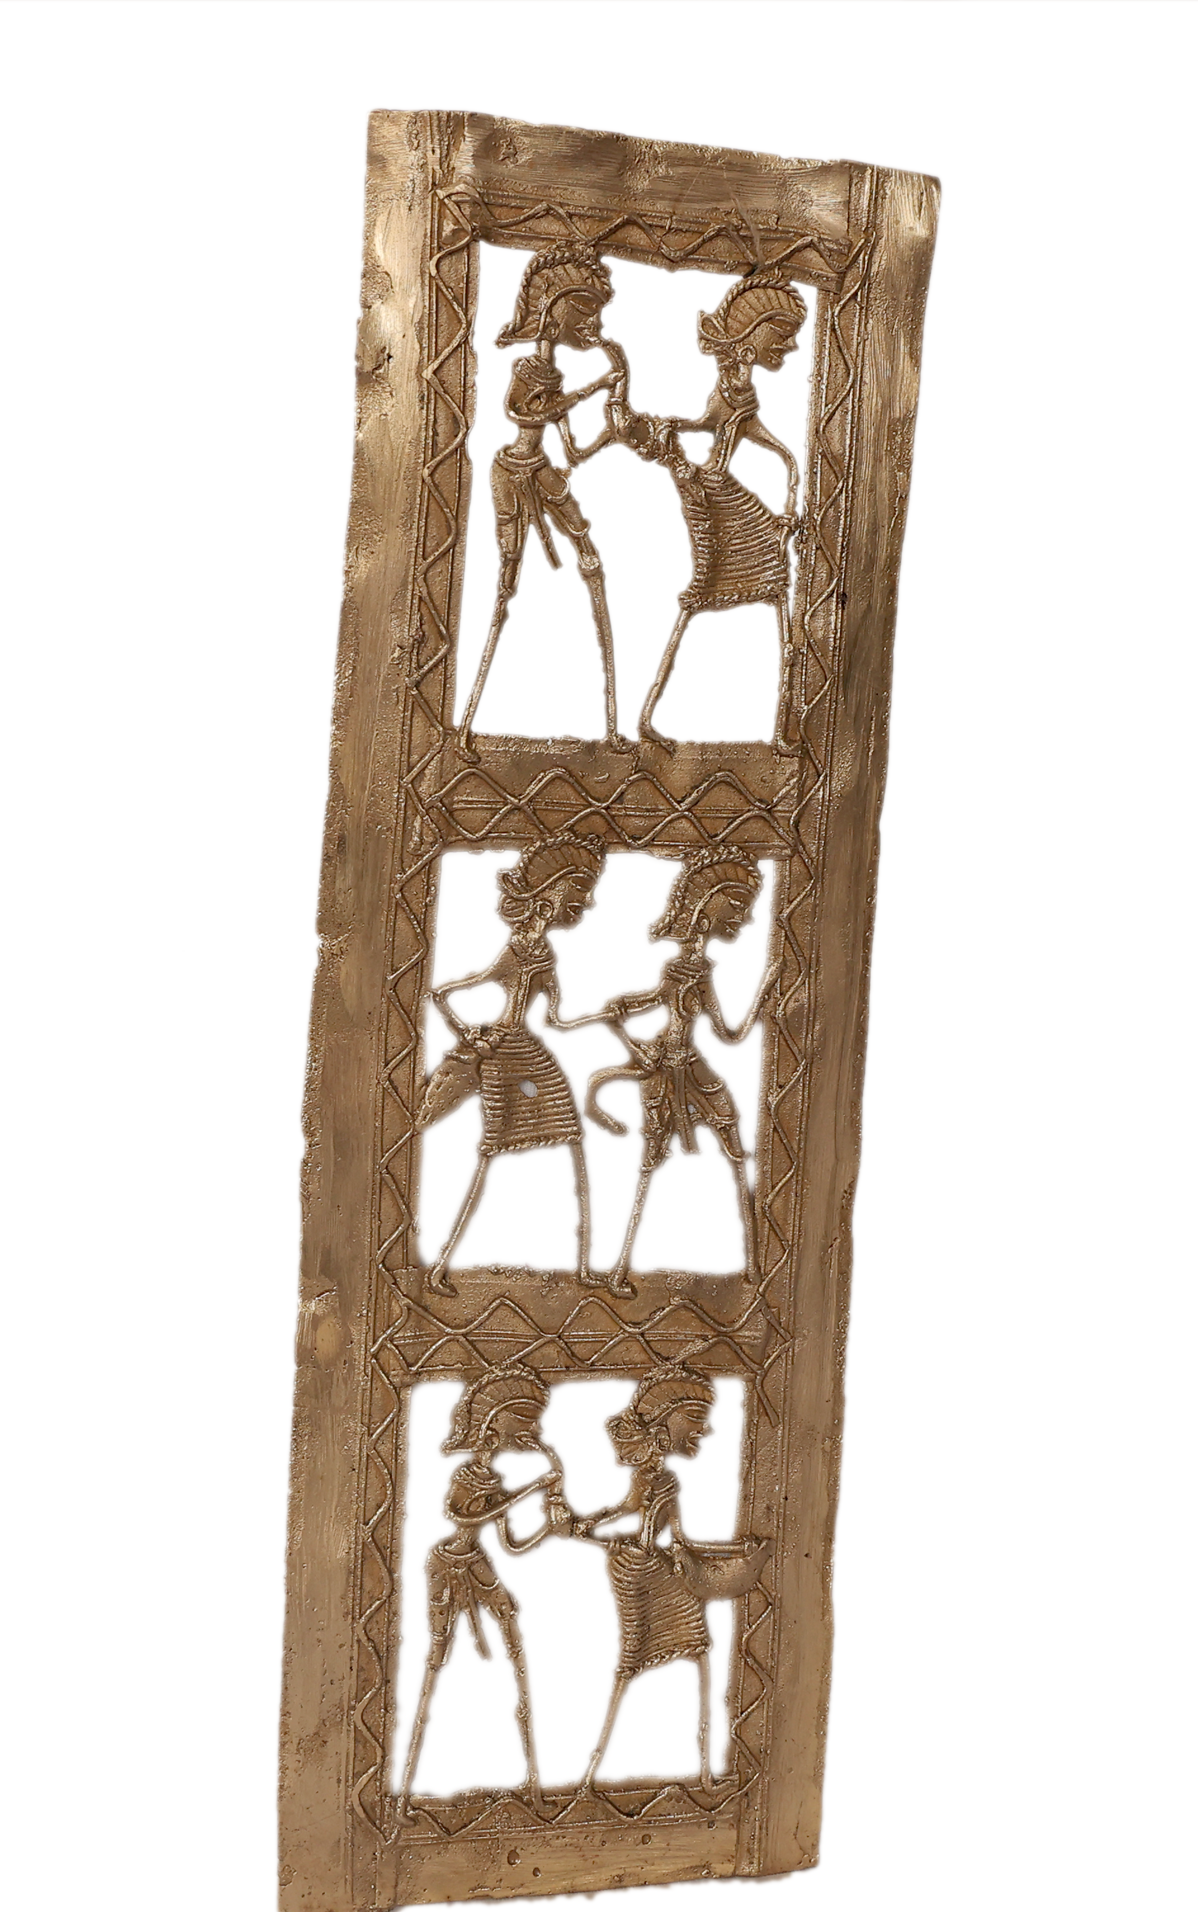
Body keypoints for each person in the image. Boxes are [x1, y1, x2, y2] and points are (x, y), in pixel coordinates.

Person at [418, 832, 619, 1294]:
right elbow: (444, 994)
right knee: (491, 1150)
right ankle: (438, 1268)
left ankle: (584, 1269)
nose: (586, 904)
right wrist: (466, 1033)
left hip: (531, 1057)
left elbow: (556, 1020)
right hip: (501, 1054)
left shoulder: (545, 957)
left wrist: (603, 1016)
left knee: (571, 1135)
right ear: (546, 900)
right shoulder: (514, 953)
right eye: (578, 895)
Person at [615, 272, 808, 750]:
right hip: (711, 493)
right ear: (751, 339)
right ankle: (649, 719)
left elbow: (740, 433)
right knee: (714, 587)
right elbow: (713, 426)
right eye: (782, 336)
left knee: (768, 586)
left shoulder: (738, 390)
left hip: (723, 491)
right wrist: (672, 427)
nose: (790, 347)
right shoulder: (727, 393)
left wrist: (789, 487)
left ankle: (783, 729)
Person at [455, 246, 631, 758]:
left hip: (543, 469)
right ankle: (465, 727)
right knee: (506, 581)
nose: (595, 326)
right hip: (512, 471)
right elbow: (520, 412)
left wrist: (612, 434)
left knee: (591, 557)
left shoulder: (553, 377)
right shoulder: (529, 369)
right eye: (587, 312)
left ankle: (612, 728)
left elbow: (572, 450)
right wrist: (592, 388)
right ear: (556, 309)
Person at [584, 847, 775, 1294]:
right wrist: (762, 996)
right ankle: (620, 1271)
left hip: (687, 1068)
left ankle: (754, 1267)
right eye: (737, 907)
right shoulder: (686, 973)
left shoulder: (691, 971)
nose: (745, 919)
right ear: (708, 909)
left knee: (728, 1154)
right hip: (668, 1071)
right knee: (661, 1163)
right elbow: (729, 1033)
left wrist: (763, 996)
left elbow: (712, 1028)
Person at [398, 1366, 572, 1810]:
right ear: (497, 1426)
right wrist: (530, 1489)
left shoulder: (494, 1483)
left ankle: (533, 1786)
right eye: (526, 1423)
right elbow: (462, 1516)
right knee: (437, 1656)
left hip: (476, 1561)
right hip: (447, 1563)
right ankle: (402, 1797)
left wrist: (549, 1529)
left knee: (512, 1630)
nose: (535, 1434)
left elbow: (511, 1544)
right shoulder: (466, 1477)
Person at [572, 1364, 721, 1791]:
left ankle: (703, 1769)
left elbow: (668, 1531)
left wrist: (595, 1525)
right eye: (695, 1420)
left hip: (644, 1564)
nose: (705, 1431)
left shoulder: (660, 1479)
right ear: (663, 1430)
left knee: (685, 1650)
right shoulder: (654, 1480)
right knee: (662, 1654)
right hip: (641, 1569)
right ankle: (595, 1774)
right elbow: (637, 1514)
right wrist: (593, 1522)